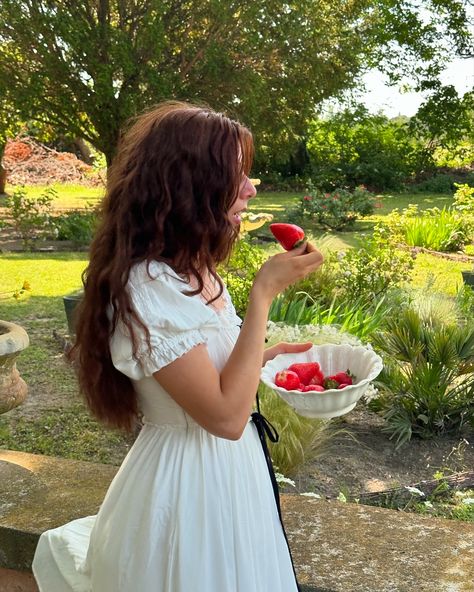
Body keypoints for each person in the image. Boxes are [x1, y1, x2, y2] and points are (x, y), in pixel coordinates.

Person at [32, 101, 324, 592]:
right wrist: (264, 293)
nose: (253, 188)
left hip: (235, 476)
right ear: (191, 185)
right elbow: (226, 418)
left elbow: (215, 376)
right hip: (187, 487)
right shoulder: (148, 288)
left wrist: (263, 358)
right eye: (238, 174)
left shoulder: (196, 270)